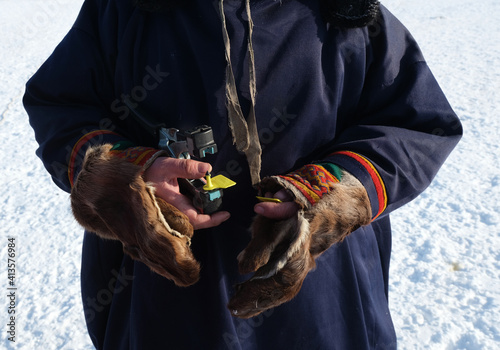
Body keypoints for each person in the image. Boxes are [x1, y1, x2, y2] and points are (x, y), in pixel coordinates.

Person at [24, 0, 462, 348]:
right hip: (160, 295)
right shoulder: (122, 9)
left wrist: (331, 192)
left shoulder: (349, 13)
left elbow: (417, 124)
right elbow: (61, 106)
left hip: (324, 295)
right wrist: (127, 173)